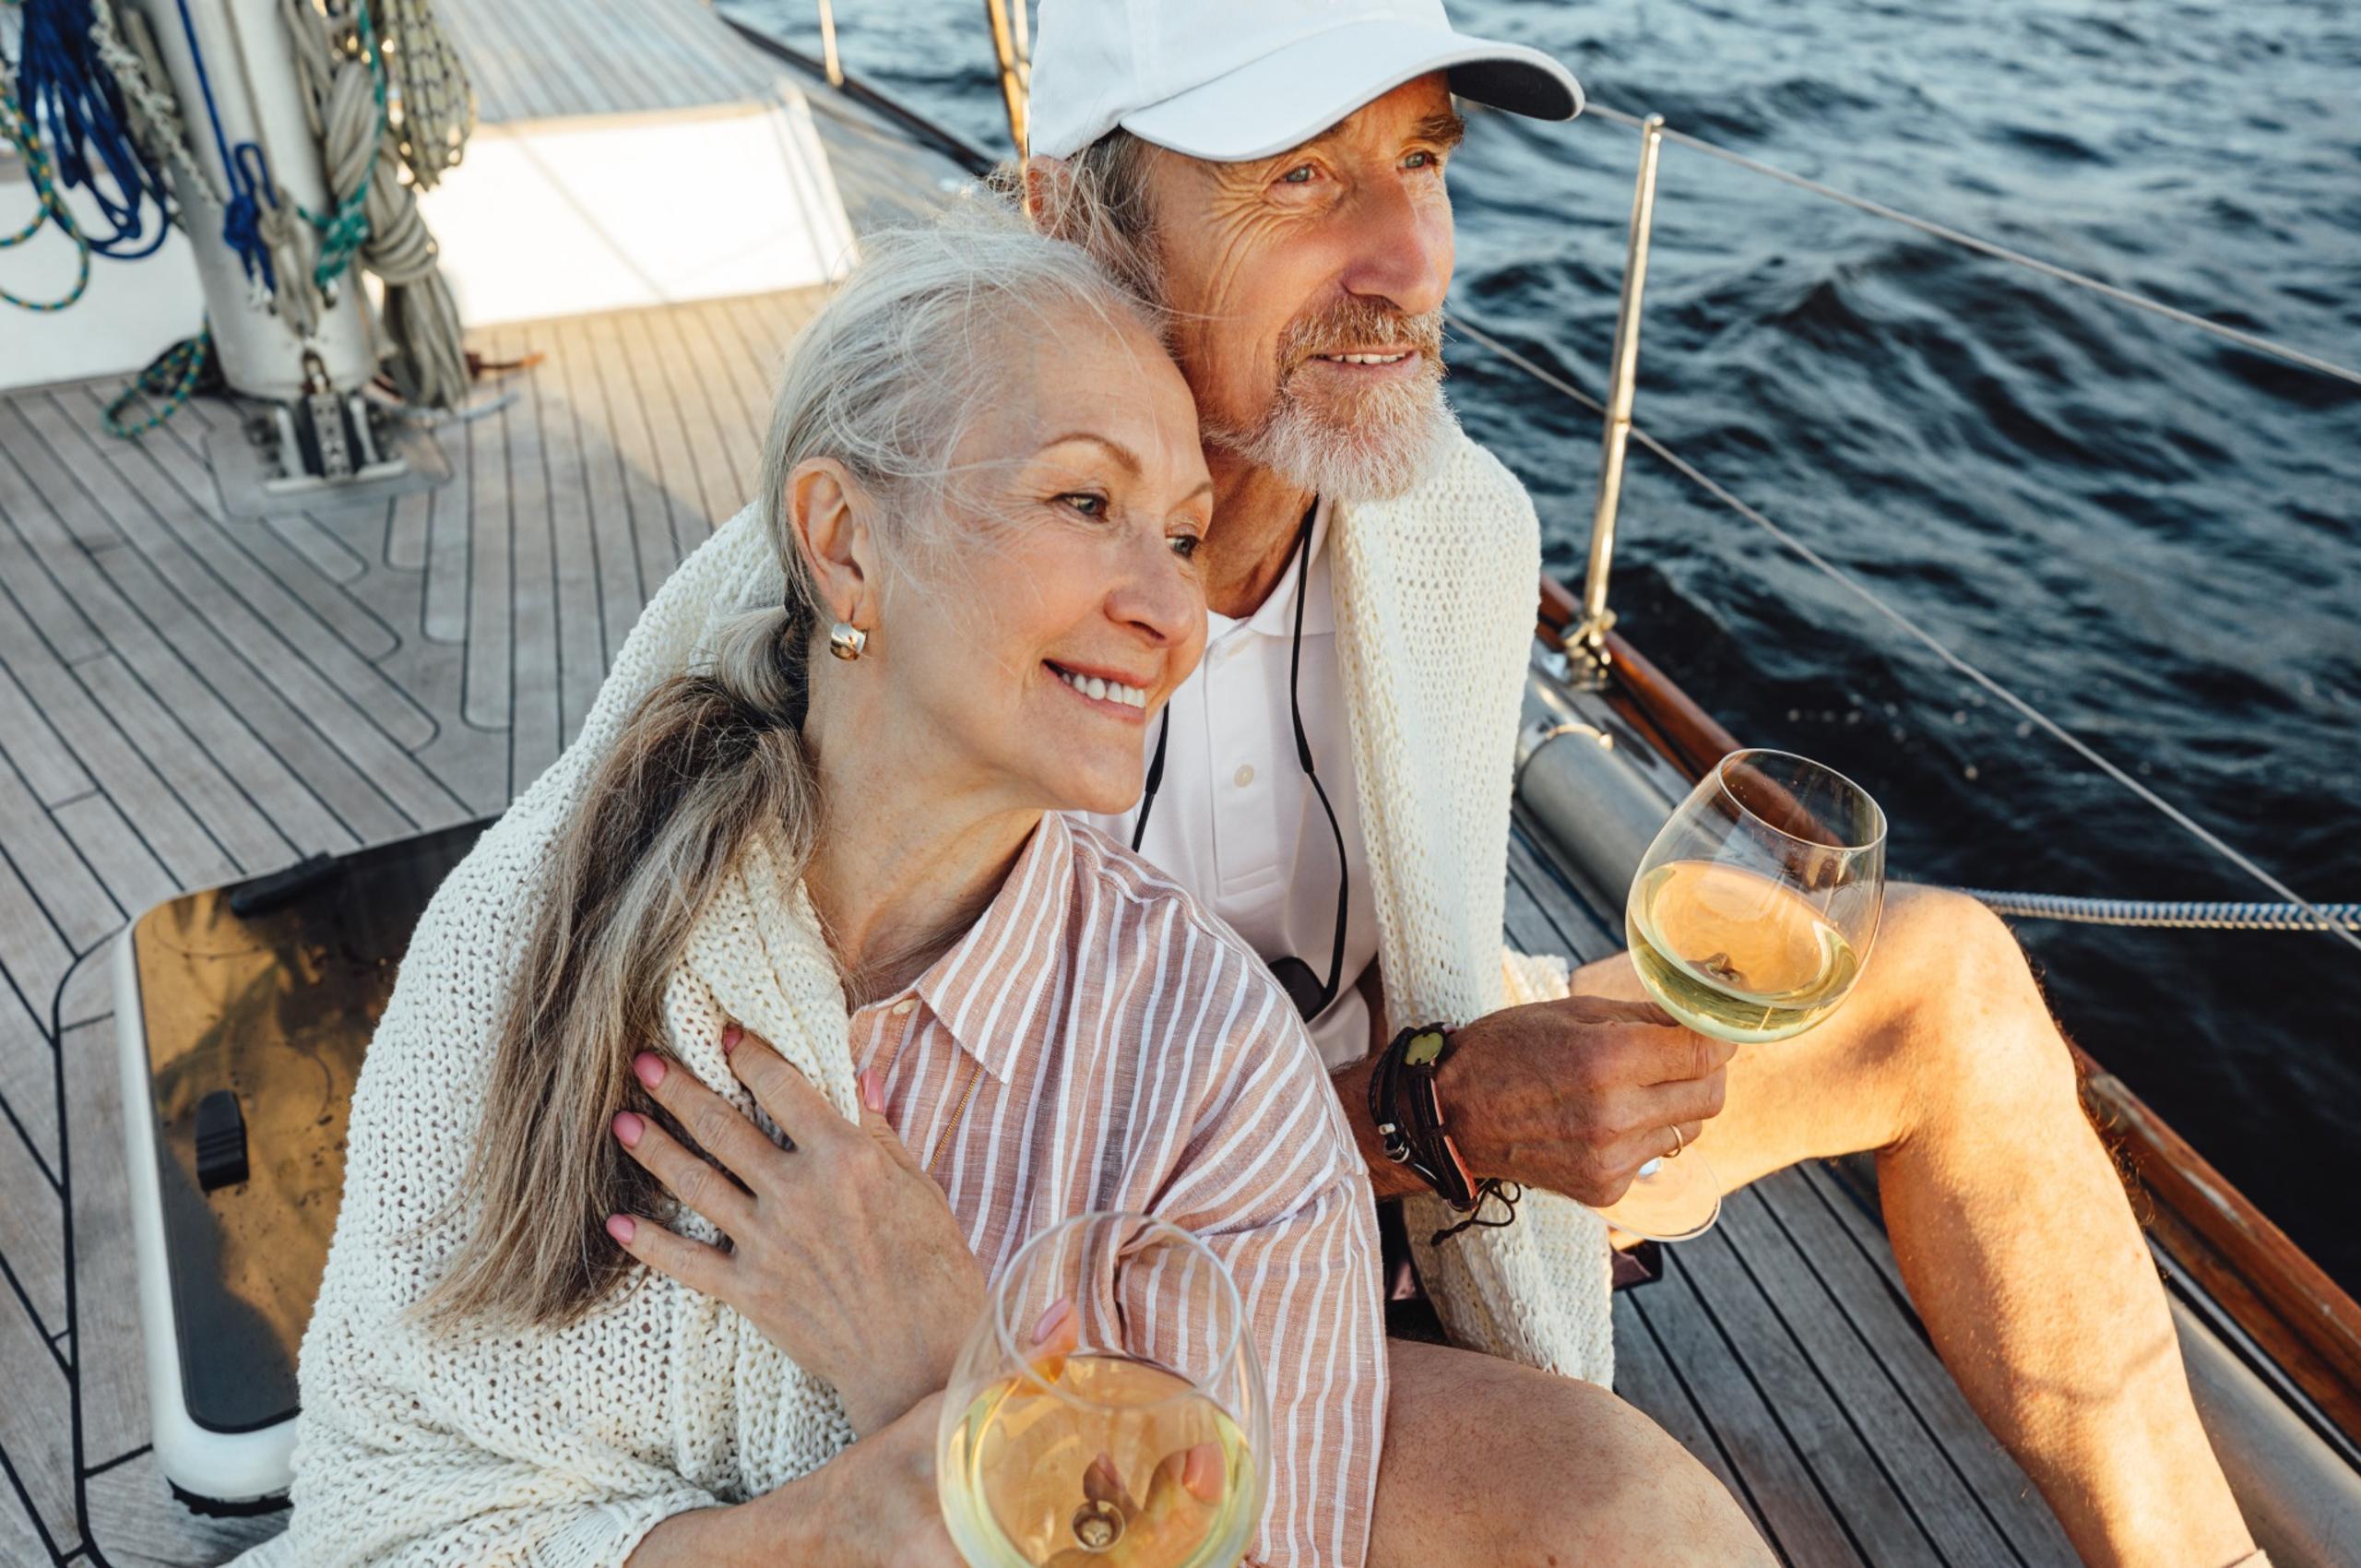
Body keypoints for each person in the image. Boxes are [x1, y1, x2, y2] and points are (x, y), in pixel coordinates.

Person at [1020, 2, 2267, 1565]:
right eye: (1299, 175)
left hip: (1414, 1122)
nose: (1412, 257)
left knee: (1943, 983)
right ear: (1072, 220)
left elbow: (1428, 960)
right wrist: (1440, 1117)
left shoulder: (1450, 524)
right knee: (1636, 1521)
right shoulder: (928, 597)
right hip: (1149, 1290)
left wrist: (1470, 1089)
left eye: (1423, 159)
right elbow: (979, 1206)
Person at [237, 219, 1386, 1568]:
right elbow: (383, 1506)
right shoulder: (545, 919)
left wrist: (951, 1363)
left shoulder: (1215, 1069)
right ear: (843, 542)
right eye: (1086, 503)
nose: (1171, 610)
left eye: (1185, 537)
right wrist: (825, 1532)